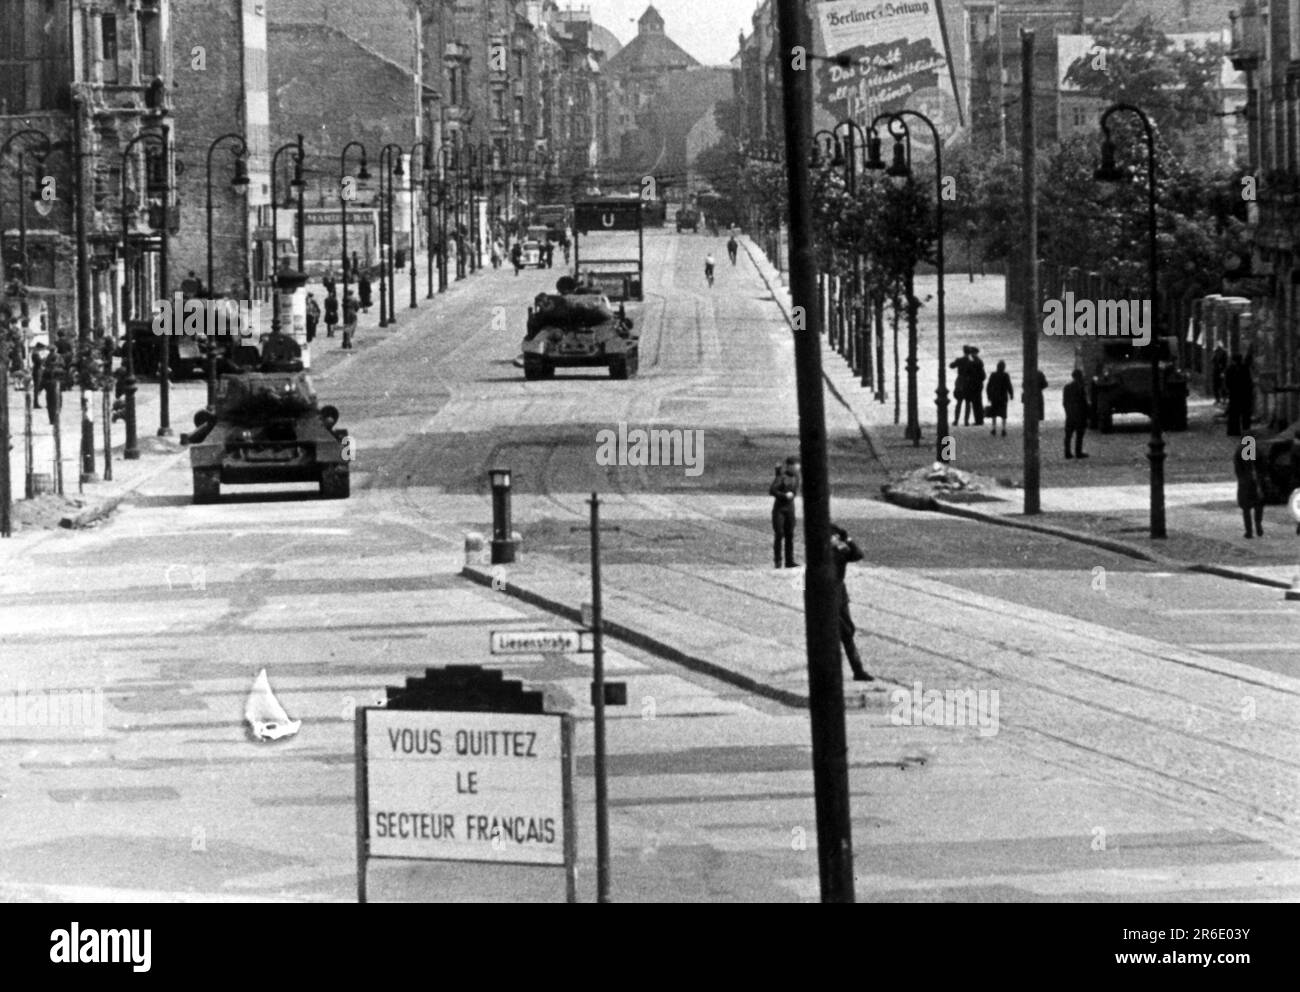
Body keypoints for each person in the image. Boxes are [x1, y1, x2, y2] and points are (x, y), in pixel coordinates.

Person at [830, 523, 873, 683]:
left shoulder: (841, 552)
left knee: (847, 633)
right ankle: (855, 671)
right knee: (845, 633)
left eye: (836, 537)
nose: (835, 539)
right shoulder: (825, 554)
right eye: (832, 537)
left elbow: (858, 554)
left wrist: (848, 538)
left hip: (841, 594)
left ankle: (858, 671)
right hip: (827, 597)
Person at [769, 456, 800, 568]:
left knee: (790, 535)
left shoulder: (796, 477)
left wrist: (791, 495)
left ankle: (789, 561)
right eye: (796, 465)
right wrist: (784, 495)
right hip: (779, 510)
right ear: (790, 466)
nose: (798, 467)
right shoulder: (782, 476)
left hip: (790, 509)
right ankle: (778, 561)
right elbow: (772, 490)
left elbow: (794, 491)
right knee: (779, 534)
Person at [1234, 438, 1266, 539]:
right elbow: (1263, 465)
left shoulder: (1240, 450)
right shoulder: (1257, 450)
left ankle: (1249, 531)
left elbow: (1237, 467)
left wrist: (1241, 477)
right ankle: (1258, 524)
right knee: (1258, 505)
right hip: (1256, 482)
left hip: (1245, 483)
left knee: (1246, 508)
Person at [1063, 368, 1090, 459]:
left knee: (1068, 435)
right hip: (1080, 414)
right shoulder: (1081, 388)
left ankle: (1067, 452)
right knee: (1079, 435)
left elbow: (1065, 402)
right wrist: (1087, 414)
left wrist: (1067, 412)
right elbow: (1084, 402)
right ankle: (1078, 452)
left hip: (1070, 414)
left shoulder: (1067, 387)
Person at [1225, 353, 1253, 435]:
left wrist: (1229, 390)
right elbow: (1248, 381)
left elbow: (1227, 382)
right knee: (1245, 413)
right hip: (1244, 394)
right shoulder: (1245, 368)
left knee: (1234, 413)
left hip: (1235, 394)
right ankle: (1246, 430)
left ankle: (1234, 430)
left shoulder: (1230, 369)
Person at [986, 359, 1013, 436]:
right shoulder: (1005, 375)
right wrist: (1011, 394)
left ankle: (994, 429)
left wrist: (988, 395)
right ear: (1004, 367)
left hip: (994, 397)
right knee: (1003, 414)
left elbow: (988, 386)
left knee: (994, 413)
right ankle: (1003, 429)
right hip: (1003, 397)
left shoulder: (993, 375)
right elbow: (1009, 385)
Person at [949, 346, 973, 425]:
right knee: (968, 402)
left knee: (959, 402)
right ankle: (966, 421)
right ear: (969, 353)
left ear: (963, 352)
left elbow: (951, 366)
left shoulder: (959, 360)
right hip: (968, 383)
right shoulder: (971, 362)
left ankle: (956, 420)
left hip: (960, 382)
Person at [968, 346, 987, 425]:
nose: (971, 354)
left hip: (974, 385)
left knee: (976, 403)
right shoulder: (979, 362)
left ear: (974, 353)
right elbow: (983, 376)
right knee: (978, 402)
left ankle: (978, 420)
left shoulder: (974, 363)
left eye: (972, 353)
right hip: (979, 385)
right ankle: (980, 419)